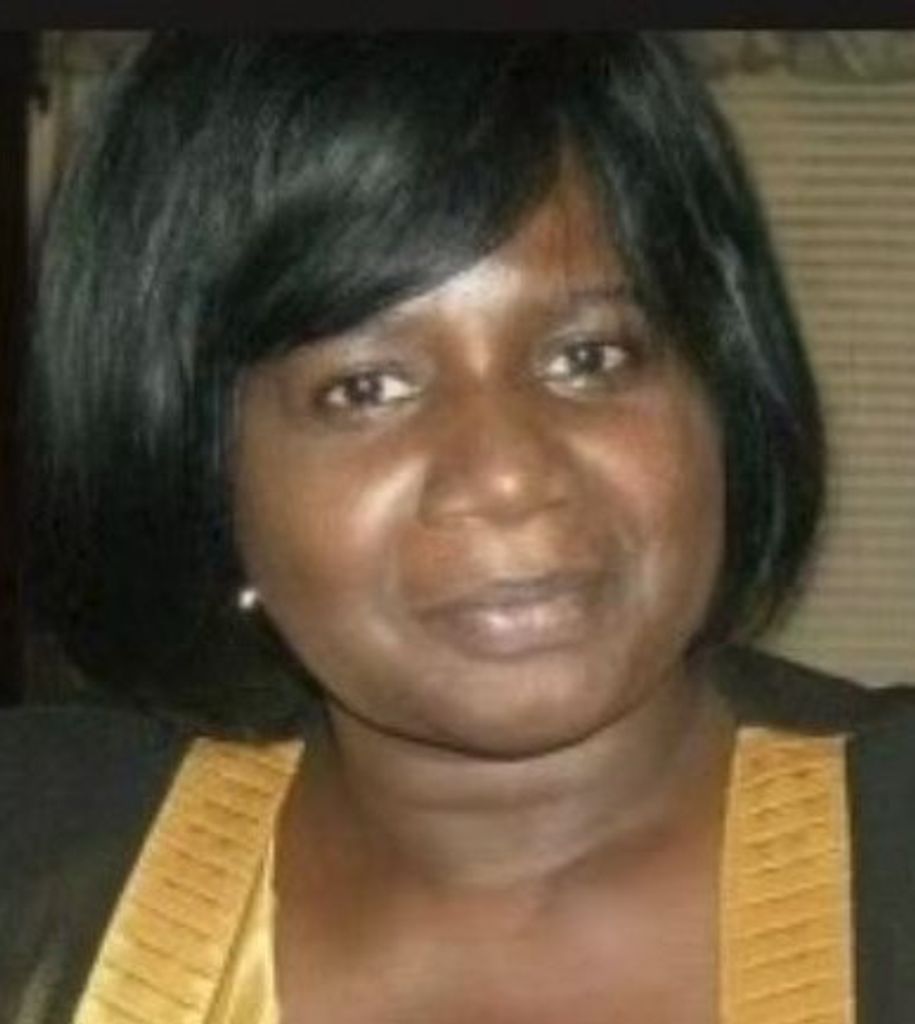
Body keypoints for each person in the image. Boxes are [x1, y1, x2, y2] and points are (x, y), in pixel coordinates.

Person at [2, 32, 914, 1024]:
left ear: (721, 393)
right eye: (365, 387)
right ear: (195, 466)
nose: (509, 472)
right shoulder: (34, 842)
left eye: (589, 358)